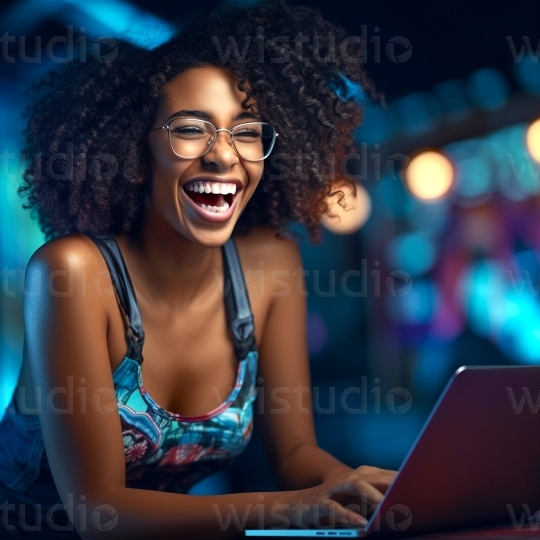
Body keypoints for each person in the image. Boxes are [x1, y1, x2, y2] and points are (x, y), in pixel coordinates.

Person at [0, 1, 396, 538]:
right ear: (137, 156)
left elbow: (297, 455)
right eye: (191, 129)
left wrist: (363, 491)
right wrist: (291, 507)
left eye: (247, 131)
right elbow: (97, 513)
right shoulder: (72, 273)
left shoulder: (270, 266)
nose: (223, 156)